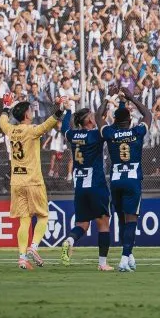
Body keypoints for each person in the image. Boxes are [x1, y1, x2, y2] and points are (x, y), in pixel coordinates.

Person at [0, 94, 64, 270]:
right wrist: (60, 108)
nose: (32, 111)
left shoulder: (10, 130)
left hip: (16, 181)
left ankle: (21, 258)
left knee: (24, 220)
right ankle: (33, 247)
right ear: (27, 115)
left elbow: (3, 121)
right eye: (30, 110)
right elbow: (48, 124)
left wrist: (6, 107)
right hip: (33, 180)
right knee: (43, 216)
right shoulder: (32, 130)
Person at [102, 87, 152, 273]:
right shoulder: (137, 132)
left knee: (121, 218)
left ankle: (129, 255)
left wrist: (111, 98)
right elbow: (148, 115)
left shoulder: (110, 134)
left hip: (115, 180)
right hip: (132, 180)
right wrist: (131, 98)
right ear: (130, 120)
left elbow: (100, 118)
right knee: (131, 220)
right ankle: (124, 258)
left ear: (114, 120)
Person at [59, 99, 112, 271]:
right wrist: (106, 103)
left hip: (80, 186)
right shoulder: (96, 135)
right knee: (103, 223)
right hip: (96, 184)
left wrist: (67, 111)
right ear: (89, 120)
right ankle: (103, 264)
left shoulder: (73, 135)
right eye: (92, 116)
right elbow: (102, 120)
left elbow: (64, 129)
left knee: (82, 224)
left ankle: (70, 240)